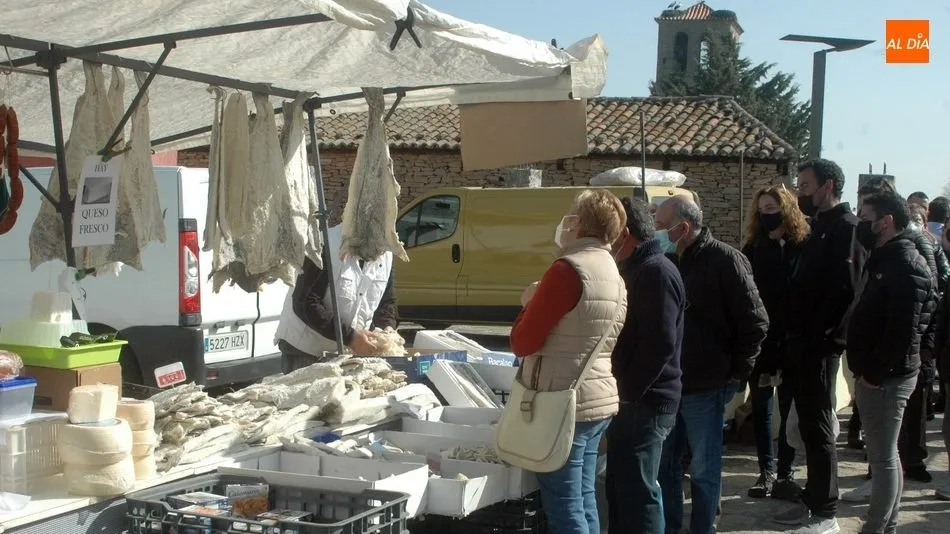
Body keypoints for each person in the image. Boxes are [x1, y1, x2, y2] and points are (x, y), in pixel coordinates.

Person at [509, 189, 628, 534]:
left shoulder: (568, 270)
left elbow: (523, 342)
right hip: (596, 398)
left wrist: (529, 302)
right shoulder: (614, 273)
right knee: (584, 497)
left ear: (577, 223)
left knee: (564, 505)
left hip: (563, 401)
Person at [654, 195, 769, 534]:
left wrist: (736, 373)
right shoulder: (667, 259)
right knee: (666, 466)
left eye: (661, 226)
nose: (656, 232)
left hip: (706, 384)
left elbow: (756, 323)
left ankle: (704, 528)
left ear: (683, 228)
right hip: (670, 384)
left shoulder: (726, 260)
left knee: (704, 469)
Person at [776, 158, 866, 534]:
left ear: (828, 186)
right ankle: (813, 501)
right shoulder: (817, 227)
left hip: (820, 346)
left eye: (806, 186)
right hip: (800, 342)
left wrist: (821, 337)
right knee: (807, 427)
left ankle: (826, 513)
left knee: (819, 427)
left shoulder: (847, 228)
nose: (800, 193)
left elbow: (846, 290)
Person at [848, 191, 934, 534]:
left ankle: (876, 526)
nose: (860, 224)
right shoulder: (886, 258)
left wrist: (873, 372)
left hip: (887, 377)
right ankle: (888, 524)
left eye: (865, 217)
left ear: (885, 222)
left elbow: (904, 330)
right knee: (887, 455)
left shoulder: (905, 264)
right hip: (881, 374)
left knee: (882, 458)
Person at [606, 196, 685, 534]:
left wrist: (629, 392)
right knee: (622, 488)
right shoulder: (640, 268)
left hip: (646, 402)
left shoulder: (655, 272)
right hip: (637, 400)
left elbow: (660, 343)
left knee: (639, 494)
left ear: (625, 234)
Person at [740, 186, 809, 501]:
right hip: (763, 342)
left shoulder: (802, 245)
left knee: (788, 407)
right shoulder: (753, 248)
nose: (766, 213)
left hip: (792, 339)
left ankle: (785, 472)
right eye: (762, 209)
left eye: (772, 207)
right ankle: (765, 471)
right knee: (762, 408)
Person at [275, 224, 396, 373]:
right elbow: (305, 301)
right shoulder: (325, 242)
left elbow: (386, 302)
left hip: (347, 354)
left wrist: (387, 330)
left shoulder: (386, 253)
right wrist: (351, 337)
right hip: (306, 351)